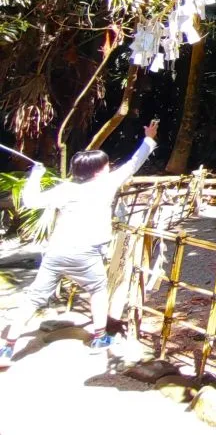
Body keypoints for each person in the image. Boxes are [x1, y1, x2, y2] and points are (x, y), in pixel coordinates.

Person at [0, 120, 158, 367]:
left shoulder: (66, 190)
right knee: (97, 290)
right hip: (87, 254)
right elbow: (134, 163)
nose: (109, 167)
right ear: (98, 171)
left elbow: (30, 201)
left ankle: (7, 347)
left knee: (33, 298)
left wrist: (35, 176)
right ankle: (99, 338)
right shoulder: (106, 184)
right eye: (105, 165)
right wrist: (149, 138)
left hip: (56, 253)